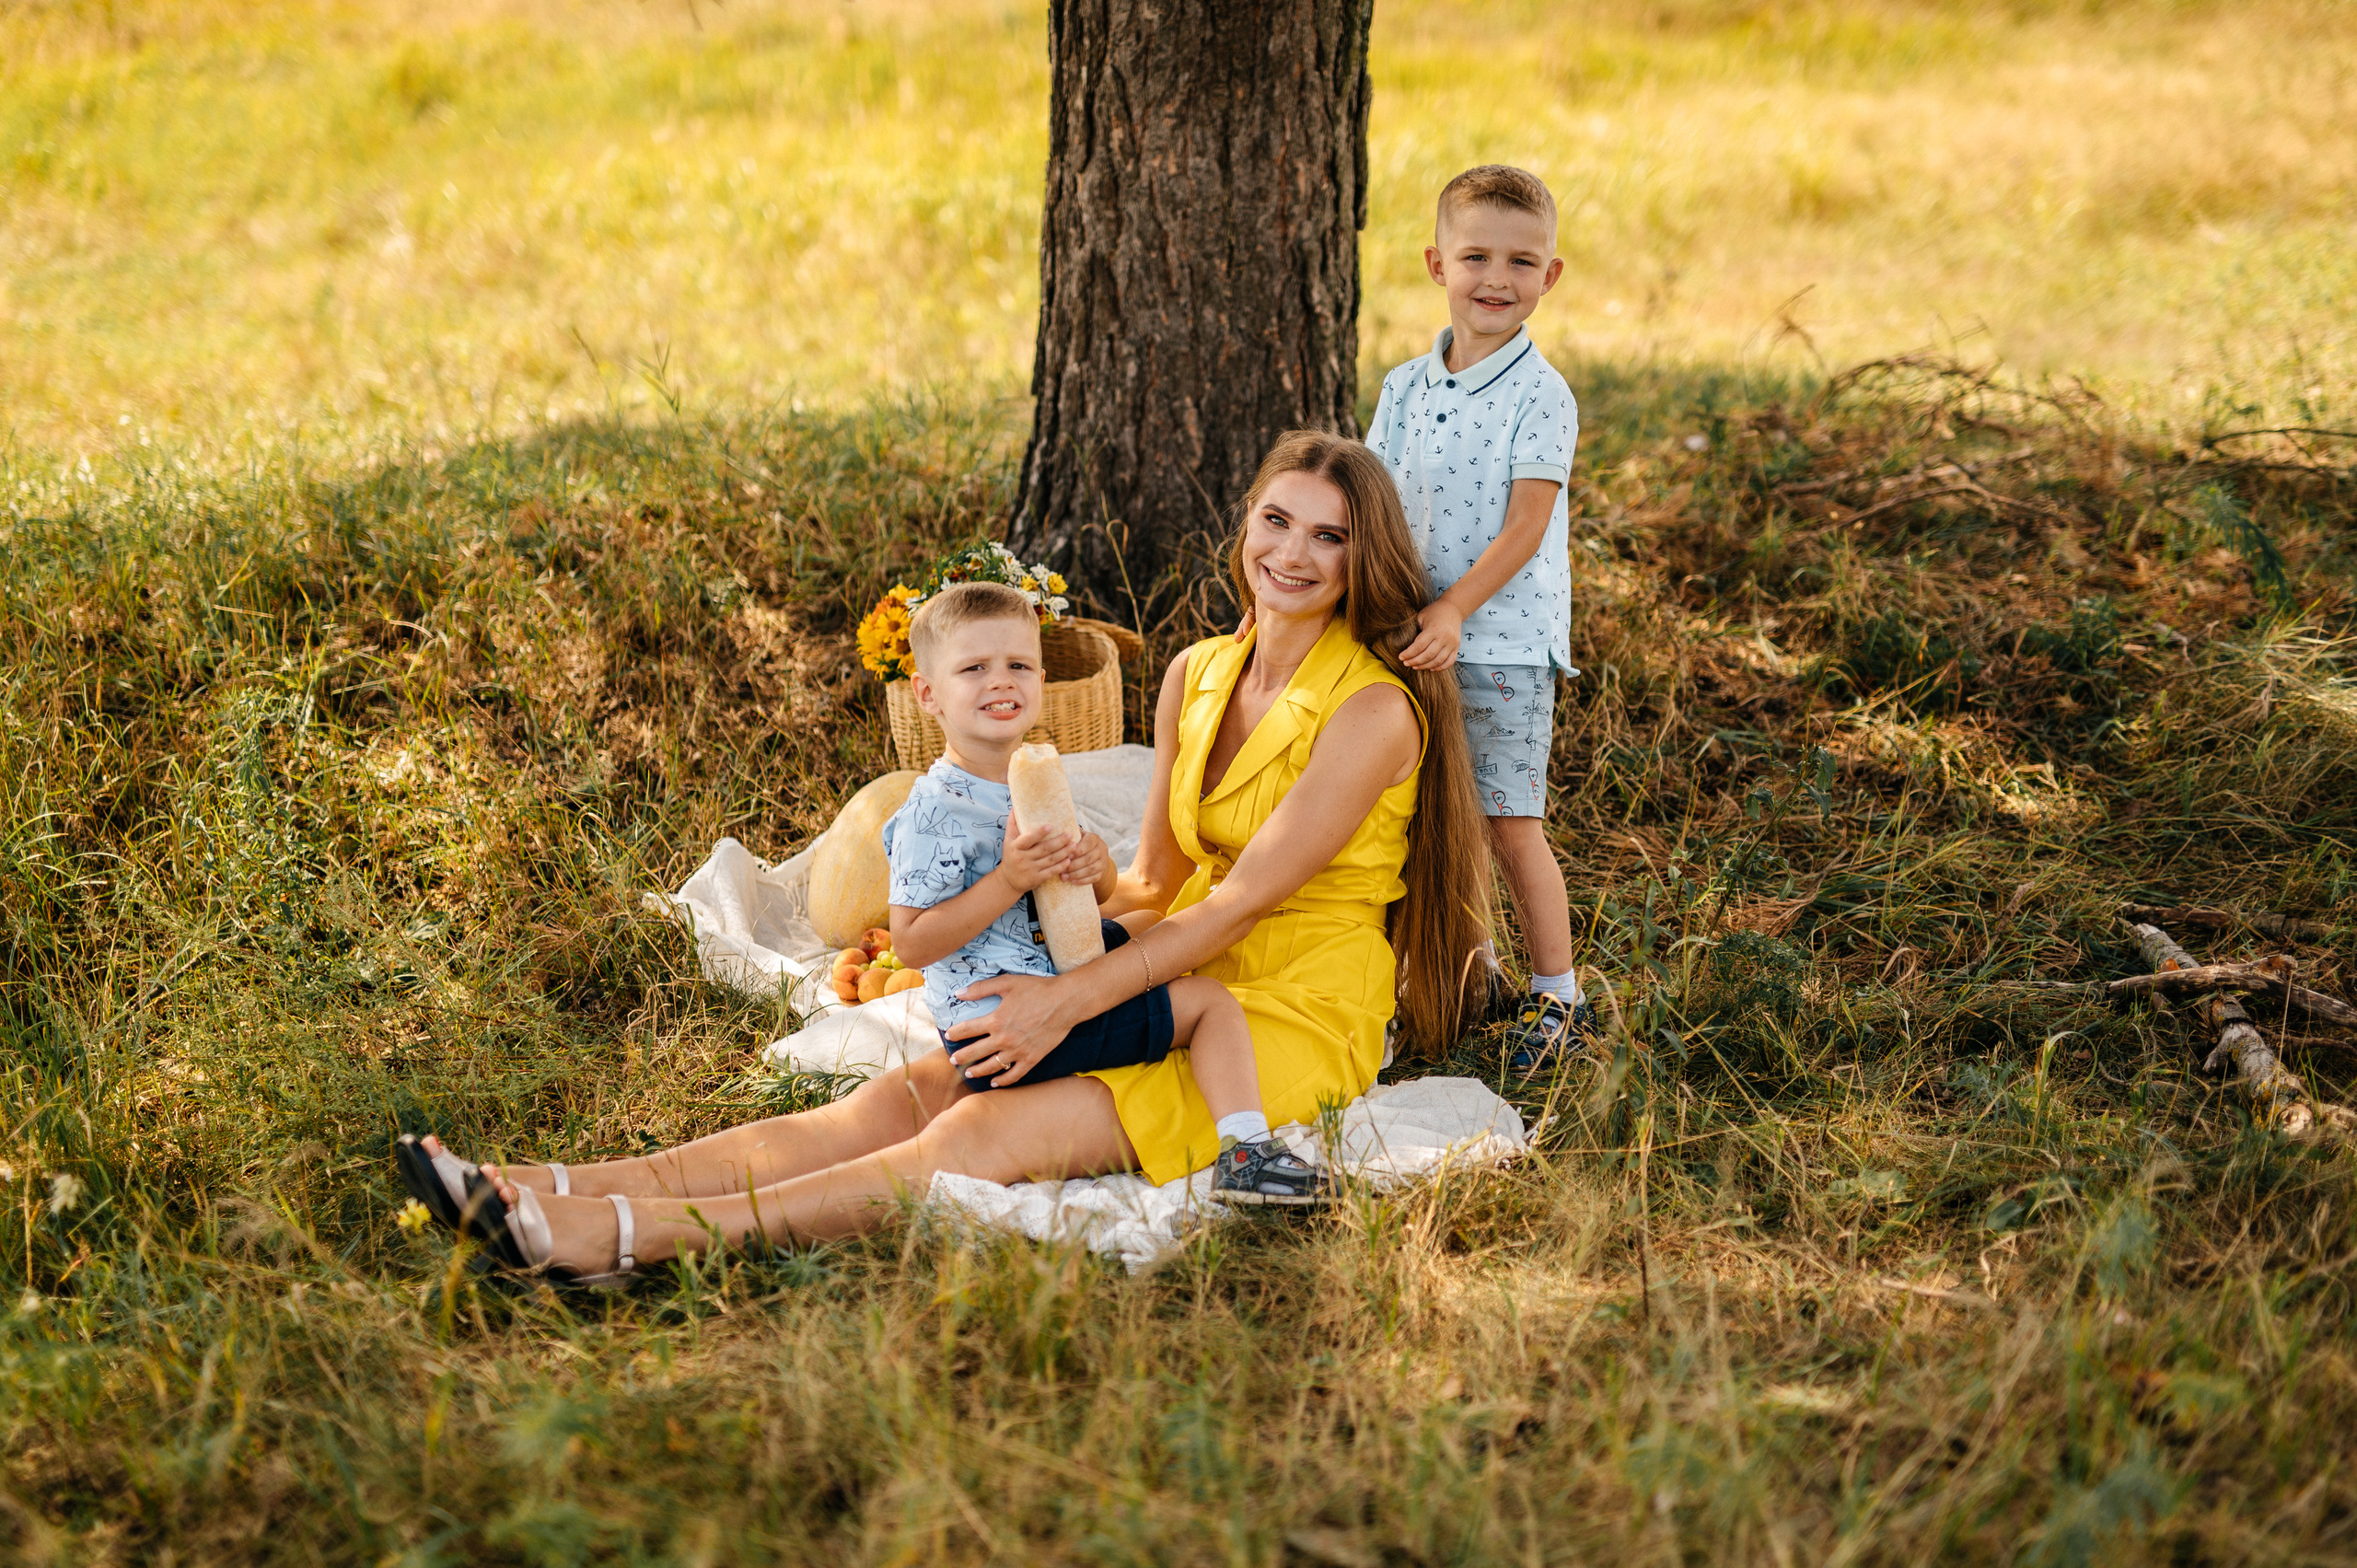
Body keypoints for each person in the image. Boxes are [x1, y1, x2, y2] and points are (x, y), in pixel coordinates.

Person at [393, 431, 1492, 1287]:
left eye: (1329, 536)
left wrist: (1060, 1005)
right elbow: (1156, 887)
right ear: (1245, 523)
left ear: (1364, 557)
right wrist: (1036, 900)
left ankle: (615, 1239)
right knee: (902, 1092)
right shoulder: (1198, 671)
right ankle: (543, 1185)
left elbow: (1236, 907)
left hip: (1281, 1009)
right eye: (1275, 520)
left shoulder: (1372, 713)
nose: (1292, 554)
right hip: (1166, 962)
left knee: (975, 1125)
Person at [882, 579, 1328, 1204]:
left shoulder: (1027, 778)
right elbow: (910, 942)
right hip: (1001, 1024)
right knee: (1210, 1003)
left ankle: (1154, 1048)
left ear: (1041, 677)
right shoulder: (935, 812)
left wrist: (1095, 871)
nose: (1001, 681)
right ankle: (1248, 1155)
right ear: (927, 694)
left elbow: (1087, 900)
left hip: (1043, 963)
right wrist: (1009, 878)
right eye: (974, 668)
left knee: (1148, 917)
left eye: (1018, 665)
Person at [1364, 162, 1593, 1078]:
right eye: (1475, 256)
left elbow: (1526, 525)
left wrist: (1455, 607)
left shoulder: (1543, 394)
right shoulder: (1405, 387)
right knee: (1418, 816)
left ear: (1551, 275)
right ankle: (1465, 976)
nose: (1496, 278)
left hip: (1498, 643)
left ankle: (1559, 994)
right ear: (1435, 263)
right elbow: (1374, 499)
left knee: (1505, 820)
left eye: (1520, 260)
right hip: (1411, 636)